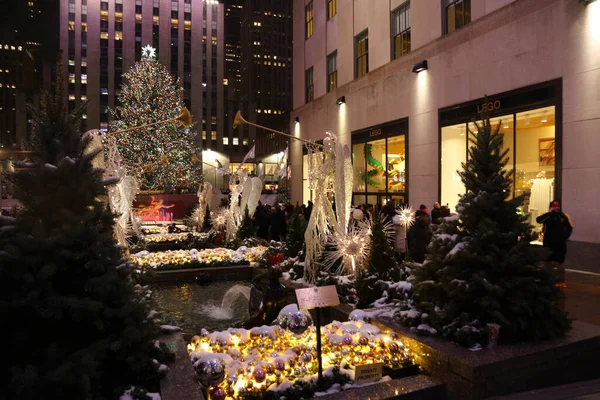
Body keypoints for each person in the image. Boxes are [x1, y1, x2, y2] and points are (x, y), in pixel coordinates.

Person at [536, 200, 573, 284]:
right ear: (550, 207)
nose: (556, 207)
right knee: (547, 262)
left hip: (560, 244)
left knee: (559, 263)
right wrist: (549, 213)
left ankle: (561, 281)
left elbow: (569, 228)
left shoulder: (563, 216)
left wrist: (564, 237)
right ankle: (546, 279)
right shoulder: (547, 216)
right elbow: (538, 220)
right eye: (554, 206)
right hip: (548, 243)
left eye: (558, 206)